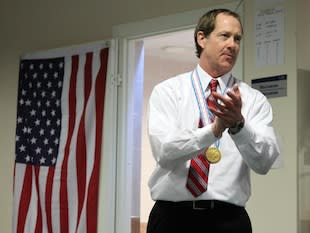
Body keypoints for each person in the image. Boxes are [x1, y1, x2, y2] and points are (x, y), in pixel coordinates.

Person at [146, 8, 280, 233]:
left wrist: (239, 126)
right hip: (172, 219)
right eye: (224, 35)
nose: (232, 45)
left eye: (237, 39)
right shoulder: (168, 91)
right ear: (202, 38)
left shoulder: (253, 99)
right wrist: (214, 130)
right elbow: (164, 151)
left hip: (228, 221)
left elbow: (264, 162)